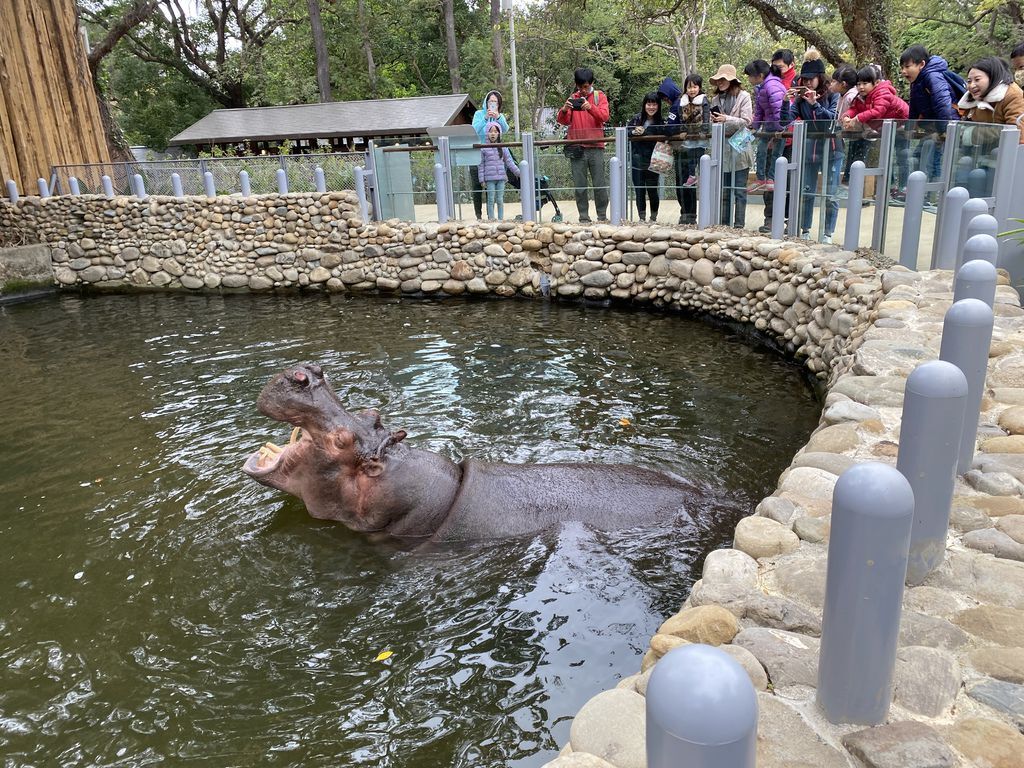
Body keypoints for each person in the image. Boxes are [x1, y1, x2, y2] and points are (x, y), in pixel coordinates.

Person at [781, 51, 839, 242]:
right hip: (809, 150)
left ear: (819, 78)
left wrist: (815, 105)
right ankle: (805, 229)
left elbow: (831, 120)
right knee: (807, 191)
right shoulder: (799, 99)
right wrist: (784, 102)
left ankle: (827, 233)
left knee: (831, 193)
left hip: (832, 149)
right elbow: (785, 121)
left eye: (811, 79)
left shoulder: (833, 95)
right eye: (804, 79)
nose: (807, 83)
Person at [556, 67, 610, 223]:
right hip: (577, 148)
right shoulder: (573, 97)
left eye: (586, 86)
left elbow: (604, 116)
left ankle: (602, 216)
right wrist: (565, 109)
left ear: (591, 83)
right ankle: (583, 217)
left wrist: (591, 107)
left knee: (599, 184)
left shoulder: (600, 97)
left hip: (596, 147)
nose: (583, 90)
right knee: (580, 186)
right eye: (580, 87)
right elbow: (563, 121)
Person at [658, 73, 709, 225]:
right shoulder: (681, 103)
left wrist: (702, 131)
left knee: (687, 181)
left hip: (693, 145)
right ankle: (686, 214)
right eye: (689, 87)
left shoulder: (682, 103)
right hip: (683, 145)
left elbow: (672, 127)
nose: (692, 90)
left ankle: (689, 215)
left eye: (694, 86)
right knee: (683, 181)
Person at [709, 64, 754, 229]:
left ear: (731, 80)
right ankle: (724, 223)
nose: (720, 82)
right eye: (718, 80)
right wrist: (713, 120)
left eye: (723, 79)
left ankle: (739, 224)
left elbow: (747, 121)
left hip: (740, 146)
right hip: (723, 149)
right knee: (725, 190)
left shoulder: (744, 96)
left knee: (740, 190)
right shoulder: (715, 100)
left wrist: (726, 119)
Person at [959, 56, 1024, 142]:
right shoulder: (974, 98)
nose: (972, 85)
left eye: (977, 79)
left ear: (993, 78)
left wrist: (971, 133)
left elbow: (1017, 133)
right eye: (969, 81)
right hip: (979, 149)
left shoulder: (1012, 95)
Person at [471, 90, 510, 220]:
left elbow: (505, 129)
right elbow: (474, 130)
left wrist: (498, 117)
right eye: (490, 101)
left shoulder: (500, 117)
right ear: (486, 102)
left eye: (495, 102)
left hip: (494, 157)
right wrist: (485, 119)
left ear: (499, 104)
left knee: (492, 188)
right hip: (478, 154)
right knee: (477, 185)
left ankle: (491, 217)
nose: (492, 104)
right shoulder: (478, 114)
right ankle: (478, 215)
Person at [626, 93, 665, 222]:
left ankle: (654, 217)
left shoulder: (661, 122)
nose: (651, 107)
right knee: (639, 190)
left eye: (654, 104)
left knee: (653, 190)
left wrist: (646, 132)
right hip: (637, 159)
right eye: (649, 104)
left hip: (655, 159)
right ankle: (641, 218)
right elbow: (626, 132)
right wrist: (633, 132)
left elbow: (665, 133)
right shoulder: (636, 119)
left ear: (658, 106)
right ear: (644, 105)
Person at [744, 59, 777, 192]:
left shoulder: (772, 86)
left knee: (775, 154)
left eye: (750, 76)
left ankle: (770, 178)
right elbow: (759, 111)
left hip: (777, 127)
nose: (749, 79)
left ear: (760, 75)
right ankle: (761, 179)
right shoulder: (760, 88)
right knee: (761, 152)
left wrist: (778, 129)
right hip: (767, 126)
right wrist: (755, 126)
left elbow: (779, 109)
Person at [478, 121, 520, 220]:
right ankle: (492, 219)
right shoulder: (483, 148)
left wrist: (518, 172)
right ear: (487, 133)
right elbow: (481, 165)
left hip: (501, 178)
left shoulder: (503, 147)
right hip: (489, 179)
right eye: (491, 131)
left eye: (495, 132)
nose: (493, 134)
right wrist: (482, 180)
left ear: (499, 134)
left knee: (500, 200)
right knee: (491, 200)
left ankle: (501, 219)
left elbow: (509, 162)